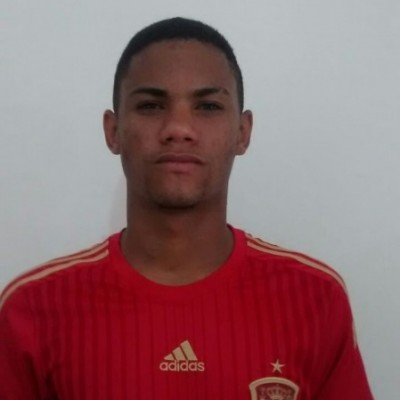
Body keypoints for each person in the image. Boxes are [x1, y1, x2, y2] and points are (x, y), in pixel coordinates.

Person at [0, 17, 373, 400]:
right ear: (113, 131)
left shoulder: (315, 298)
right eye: (150, 105)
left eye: (208, 106)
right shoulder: (32, 308)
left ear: (242, 132)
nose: (179, 128)